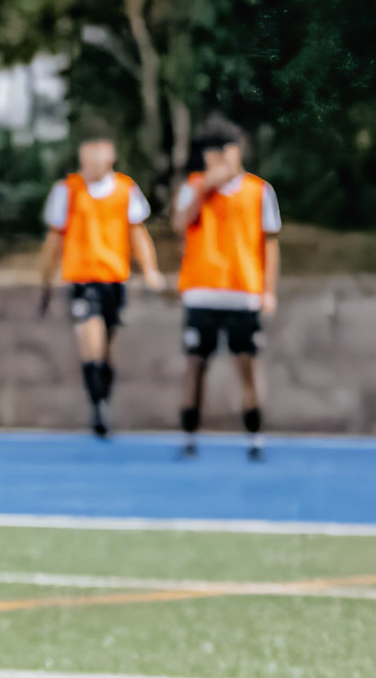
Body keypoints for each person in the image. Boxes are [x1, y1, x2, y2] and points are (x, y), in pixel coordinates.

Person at [35, 130, 161, 437]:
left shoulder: (125, 189)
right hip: (82, 278)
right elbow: (54, 238)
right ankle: (98, 407)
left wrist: (150, 270)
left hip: (114, 279)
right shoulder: (67, 191)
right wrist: (46, 276)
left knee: (106, 348)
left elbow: (137, 234)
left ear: (110, 155)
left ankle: (103, 393)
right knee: (90, 341)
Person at [170, 118, 278, 458]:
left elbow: (270, 243)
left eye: (223, 150)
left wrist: (268, 290)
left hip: (243, 293)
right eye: (211, 152)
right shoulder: (193, 187)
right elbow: (180, 223)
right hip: (202, 291)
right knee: (195, 365)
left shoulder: (259, 191)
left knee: (247, 365)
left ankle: (255, 437)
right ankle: (189, 437)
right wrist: (204, 188)